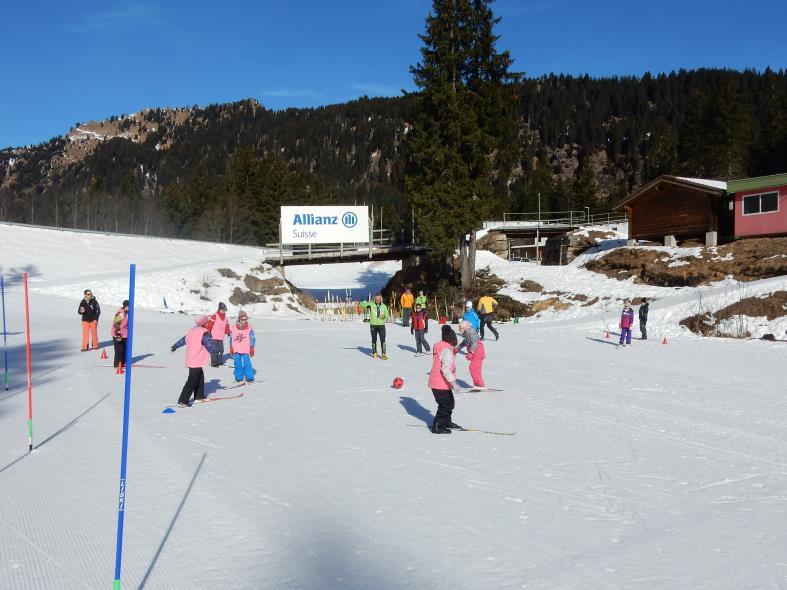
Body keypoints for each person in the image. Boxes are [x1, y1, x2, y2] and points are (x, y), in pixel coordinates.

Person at [171, 315, 219, 407]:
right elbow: (209, 346)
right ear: (204, 323)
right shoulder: (203, 333)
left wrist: (175, 346)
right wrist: (216, 350)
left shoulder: (191, 331)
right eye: (207, 322)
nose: (208, 323)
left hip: (192, 359)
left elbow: (183, 340)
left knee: (200, 376)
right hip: (196, 359)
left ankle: (199, 396)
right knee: (192, 380)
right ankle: (183, 400)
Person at [428, 325, 462, 434]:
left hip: (439, 383)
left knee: (450, 403)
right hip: (440, 383)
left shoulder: (441, 347)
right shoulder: (447, 351)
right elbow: (445, 369)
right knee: (445, 405)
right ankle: (438, 427)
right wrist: (454, 384)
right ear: (452, 340)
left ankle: (446, 422)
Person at [229, 310, 256, 383]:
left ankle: (249, 377)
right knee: (237, 363)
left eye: (245, 319)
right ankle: (238, 377)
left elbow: (252, 338)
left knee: (247, 363)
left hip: (245, 349)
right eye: (242, 319)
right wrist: (231, 347)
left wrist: (252, 347)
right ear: (239, 319)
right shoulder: (234, 327)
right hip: (236, 348)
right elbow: (231, 338)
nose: (244, 321)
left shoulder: (249, 328)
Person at [458, 320, 486, 388]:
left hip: (478, 352)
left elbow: (474, 343)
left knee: (473, 368)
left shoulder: (471, 333)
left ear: (465, 328)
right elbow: (465, 342)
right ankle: (478, 384)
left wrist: (471, 352)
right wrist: (457, 348)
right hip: (475, 352)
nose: (459, 330)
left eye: (460, 328)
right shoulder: (467, 333)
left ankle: (480, 385)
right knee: (474, 369)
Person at [364, 294, 390, 359]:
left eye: (379, 298)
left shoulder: (384, 306)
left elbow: (387, 315)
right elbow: (363, 305)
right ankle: (374, 353)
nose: (378, 300)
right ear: (374, 299)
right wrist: (367, 303)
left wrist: (383, 318)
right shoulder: (371, 304)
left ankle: (383, 354)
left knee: (383, 339)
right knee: (374, 339)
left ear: (381, 299)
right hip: (373, 325)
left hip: (381, 325)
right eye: (376, 299)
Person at [206, 302, 230, 367]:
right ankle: (214, 362)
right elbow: (209, 325)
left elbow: (227, 326)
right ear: (219, 309)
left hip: (220, 337)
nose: (224, 311)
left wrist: (228, 332)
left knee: (221, 350)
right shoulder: (214, 316)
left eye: (225, 310)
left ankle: (219, 361)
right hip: (213, 336)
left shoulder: (225, 318)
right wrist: (208, 332)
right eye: (223, 310)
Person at [111, 300, 129, 369]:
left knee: (124, 349)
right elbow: (116, 324)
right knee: (119, 349)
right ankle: (117, 364)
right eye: (129, 307)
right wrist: (118, 334)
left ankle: (123, 362)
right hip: (118, 334)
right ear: (126, 306)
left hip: (124, 334)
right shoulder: (120, 313)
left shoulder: (126, 313)